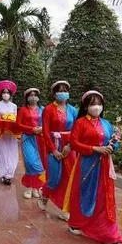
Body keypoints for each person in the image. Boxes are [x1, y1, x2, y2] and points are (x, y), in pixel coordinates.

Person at [65, 90, 122, 244]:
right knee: (84, 195)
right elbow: (74, 143)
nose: (96, 107)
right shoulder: (80, 123)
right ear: (85, 106)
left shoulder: (106, 124)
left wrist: (112, 147)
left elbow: (113, 141)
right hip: (86, 164)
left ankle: (108, 234)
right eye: (92, 104)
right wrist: (94, 148)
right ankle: (77, 222)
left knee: (104, 198)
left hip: (104, 166)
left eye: (99, 103)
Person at [38, 80, 77, 221]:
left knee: (69, 177)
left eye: (65, 90)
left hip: (69, 147)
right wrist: (53, 150)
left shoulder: (73, 110)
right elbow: (46, 132)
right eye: (60, 90)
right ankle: (45, 196)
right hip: (53, 145)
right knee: (54, 177)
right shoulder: (48, 110)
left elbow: (77, 130)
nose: (63, 93)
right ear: (54, 93)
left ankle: (64, 208)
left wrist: (70, 146)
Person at [16, 88, 45, 199]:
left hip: (40, 139)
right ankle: (28, 186)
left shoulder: (43, 109)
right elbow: (18, 125)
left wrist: (42, 129)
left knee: (40, 164)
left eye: (35, 95)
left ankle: (36, 187)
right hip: (28, 138)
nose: (33, 97)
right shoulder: (23, 110)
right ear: (27, 98)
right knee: (30, 163)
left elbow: (48, 122)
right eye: (30, 95)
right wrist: (32, 129)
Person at [0, 80, 19, 185]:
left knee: (12, 152)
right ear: (1, 94)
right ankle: (4, 174)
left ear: (10, 94)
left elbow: (16, 118)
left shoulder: (14, 106)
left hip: (11, 133)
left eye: (8, 93)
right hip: (1, 133)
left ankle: (10, 173)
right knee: (3, 153)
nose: (6, 94)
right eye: (4, 92)